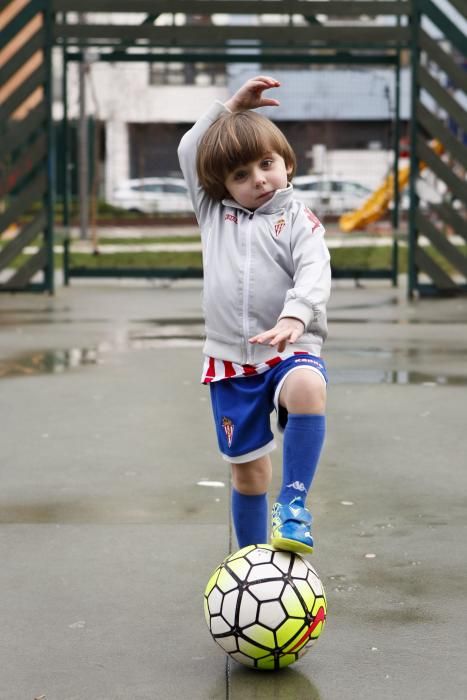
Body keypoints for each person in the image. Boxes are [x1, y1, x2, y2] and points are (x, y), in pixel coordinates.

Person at [178, 76, 331, 554]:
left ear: (287, 165)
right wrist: (229, 108)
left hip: (289, 347)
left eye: (266, 165)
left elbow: (314, 269)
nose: (258, 179)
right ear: (221, 185)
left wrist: (295, 317)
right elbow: (190, 148)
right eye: (241, 175)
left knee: (308, 388)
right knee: (248, 473)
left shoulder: (298, 219)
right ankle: (249, 560)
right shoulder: (213, 213)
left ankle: (294, 505)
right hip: (229, 362)